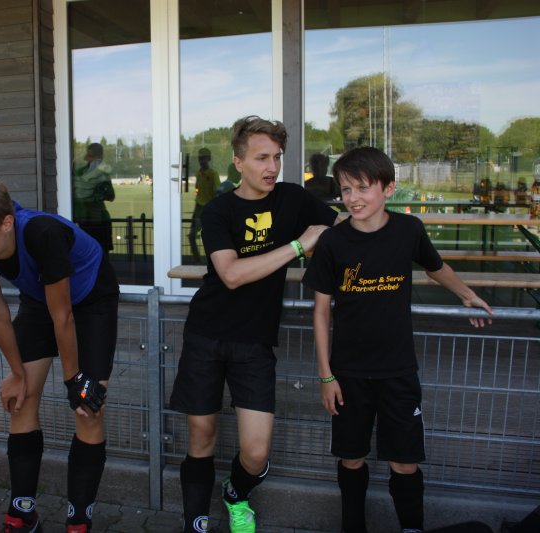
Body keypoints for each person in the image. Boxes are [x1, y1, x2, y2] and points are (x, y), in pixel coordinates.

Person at [302, 146, 493, 533]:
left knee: (404, 461)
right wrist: (326, 375)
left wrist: (466, 294)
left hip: (398, 370)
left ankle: (411, 527)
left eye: (363, 188)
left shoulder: (408, 230)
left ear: (388, 188)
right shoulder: (334, 243)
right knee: (351, 457)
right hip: (348, 373)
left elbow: (436, 267)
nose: (353, 198)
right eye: (346, 189)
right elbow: (321, 311)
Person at [169, 116, 337, 533]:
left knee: (257, 452)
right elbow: (230, 274)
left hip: (255, 340)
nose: (272, 167)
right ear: (239, 161)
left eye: (277, 157)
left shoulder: (292, 198)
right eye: (262, 158)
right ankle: (195, 522)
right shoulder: (218, 210)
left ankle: (236, 493)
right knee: (202, 435)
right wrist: (298, 245)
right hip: (207, 333)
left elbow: (340, 230)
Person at [0, 171, 119, 533]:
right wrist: (18, 373)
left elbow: (63, 315)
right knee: (20, 400)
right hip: (41, 300)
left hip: (91, 301)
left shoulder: (42, 233)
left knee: (88, 407)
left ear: (6, 223)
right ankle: (23, 512)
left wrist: (74, 380)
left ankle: (79, 520)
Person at [73, 142, 115, 253]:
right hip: (92, 218)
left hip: (92, 218)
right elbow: (110, 195)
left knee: (95, 253)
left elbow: (110, 195)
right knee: (97, 253)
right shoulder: (84, 172)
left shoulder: (94, 172)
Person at [188, 147, 220, 262]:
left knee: (210, 237)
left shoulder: (213, 174)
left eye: (204, 158)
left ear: (209, 159)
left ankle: (214, 262)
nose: (201, 161)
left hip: (209, 209)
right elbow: (197, 189)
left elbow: (217, 193)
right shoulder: (198, 173)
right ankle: (197, 260)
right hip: (198, 208)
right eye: (200, 158)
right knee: (191, 235)